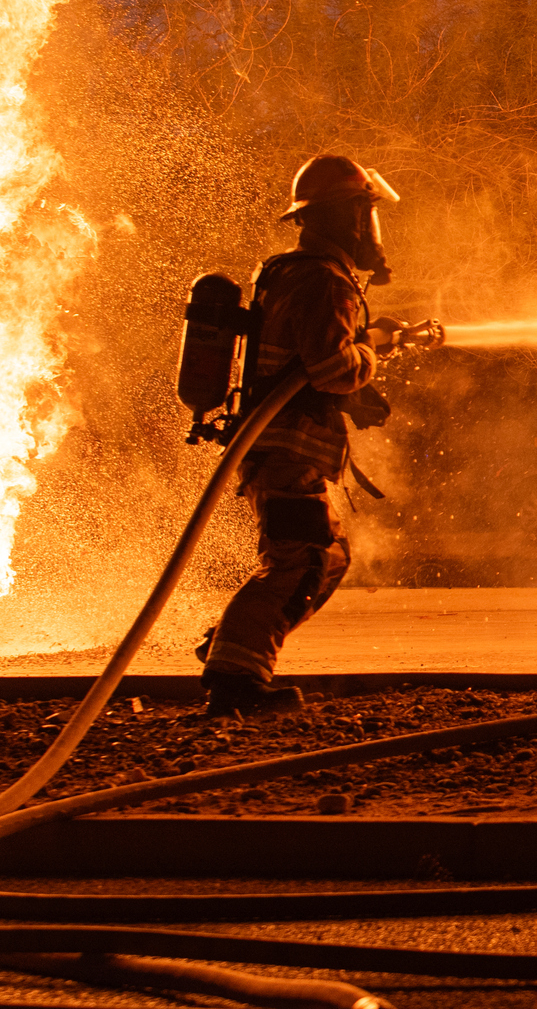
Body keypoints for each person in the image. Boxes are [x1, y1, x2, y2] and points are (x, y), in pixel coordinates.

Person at [199, 155, 411, 718]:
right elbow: (332, 367)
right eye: (366, 216)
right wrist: (375, 349)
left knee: (327, 555)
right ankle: (234, 677)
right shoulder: (323, 279)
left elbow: (312, 359)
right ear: (344, 219)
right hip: (287, 451)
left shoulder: (294, 271)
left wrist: (366, 352)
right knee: (304, 560)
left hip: (281, 448)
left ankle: (231, 639)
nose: (373, 230)